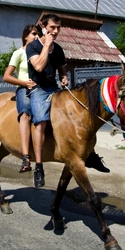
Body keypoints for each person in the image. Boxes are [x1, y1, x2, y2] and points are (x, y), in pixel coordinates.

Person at [26, 14, 109, 188]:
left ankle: (91, 155)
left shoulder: (58, 49)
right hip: (38, 90)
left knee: (80, 114)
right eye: (52, 28)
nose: (55, 32)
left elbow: (62, 70)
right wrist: (46, 45)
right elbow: (39, 67)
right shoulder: (32, 46)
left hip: (55, 89)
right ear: (43, 26)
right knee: (40, 120)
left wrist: (64, 77)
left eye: (58, 28)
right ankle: (39, 167)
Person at [3, 24, 39, 173]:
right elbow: (6, 77)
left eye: (38, 34)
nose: (36, 37)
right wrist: (24, 83)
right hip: (24, 88)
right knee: (25, 114)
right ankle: (26, 157)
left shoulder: (40, 53)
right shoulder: (19, 53)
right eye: (33, 34)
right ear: (25, 36)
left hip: (41, 88)